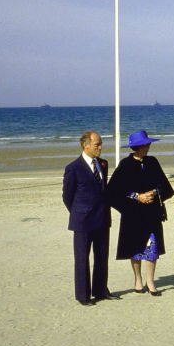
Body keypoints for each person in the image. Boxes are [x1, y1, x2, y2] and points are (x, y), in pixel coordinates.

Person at [107, 130, 174, 297]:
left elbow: (165, 187)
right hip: (132, 214)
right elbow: (113, 191)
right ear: (137, 146)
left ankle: (150, 282)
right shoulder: (125, 165)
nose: (148, 147)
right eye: (145, 144)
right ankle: (138, 280)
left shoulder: (153, 162)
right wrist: (137, 197)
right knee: (135, 248)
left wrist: (153, 193)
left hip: (152, 213)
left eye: (148, 144)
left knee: (152, 247)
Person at [62, 130, 115, 306]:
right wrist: (79, 212)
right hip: (82, 221)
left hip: (102, 219)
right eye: (97, 144)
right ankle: (83, 295)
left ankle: (101, 291)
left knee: (102, 257)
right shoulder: (73, 168)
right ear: (86, 146)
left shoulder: (103, 164)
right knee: (82, 259)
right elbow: (67, 197)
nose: (100, 147)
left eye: (100, 144)